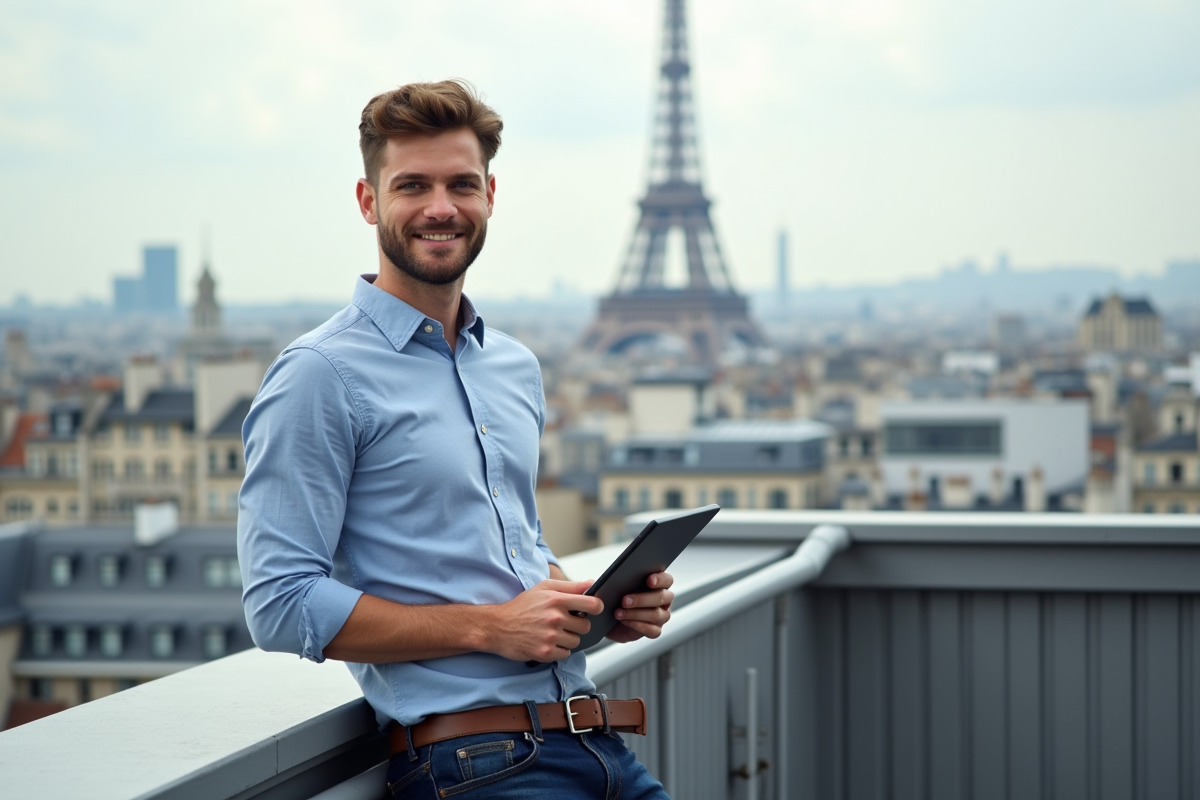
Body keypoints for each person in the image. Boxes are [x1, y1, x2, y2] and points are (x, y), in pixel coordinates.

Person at [237, 80, 675, 799]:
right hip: (477, 765)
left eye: (461, 184)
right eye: (412, 185)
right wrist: (489, 629)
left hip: (600, 745)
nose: (441, 207)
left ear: (490, 196)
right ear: (368, 201)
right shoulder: (319, 374)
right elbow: (279, 603)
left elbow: (513, 556)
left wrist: (597, 609)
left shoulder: (513, 366)